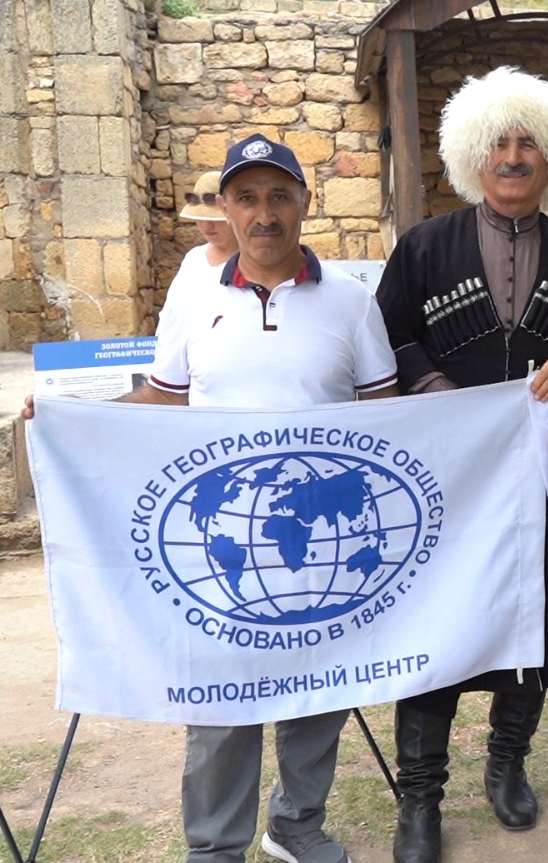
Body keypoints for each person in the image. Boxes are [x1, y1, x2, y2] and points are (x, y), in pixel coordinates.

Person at [20, 134, 400, 863]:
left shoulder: (351, 303)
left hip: (315, 535)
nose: (265, 214)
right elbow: (164, 398)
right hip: (226, 535)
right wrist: (74, 416)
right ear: (226, 208)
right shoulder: (195, 301)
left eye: (279, 196)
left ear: (305, 203)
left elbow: (387, 412)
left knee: (318, 691)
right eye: (247, 198)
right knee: (221, 701)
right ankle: (216, 847)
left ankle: (296, 825)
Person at [374, 66, 548, 863]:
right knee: (437, 630)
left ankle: (508, 765)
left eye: (527, 144)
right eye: (498, 144)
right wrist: (435, 389)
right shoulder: (424, 247)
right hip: (443, 482)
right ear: (472, 157)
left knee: (529, 621)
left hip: (543, 483)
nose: (512, 157)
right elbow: (388, 339)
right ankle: (420, 798)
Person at [169, 170, 238, 310]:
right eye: (200, 217)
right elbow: (172, 313)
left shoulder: (254, 262)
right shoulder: (194, 259)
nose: (206, 225)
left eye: (214, 218)